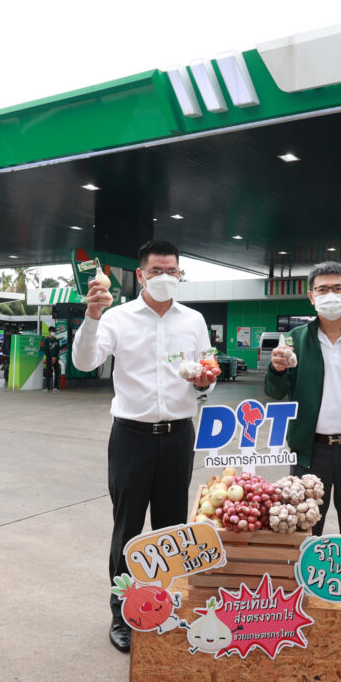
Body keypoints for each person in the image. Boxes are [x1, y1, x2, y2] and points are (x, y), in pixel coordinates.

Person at [71, 239, 217, 653]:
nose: (165, 277)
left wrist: (206, 381)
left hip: (178, 435)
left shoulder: (194, 320)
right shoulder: (116, 318)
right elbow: (84, 362)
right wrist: (92, 315)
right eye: (156, 271)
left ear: (180, 274)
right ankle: (123, 614)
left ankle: (163, 607)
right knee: (128, 528)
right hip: (131, 437)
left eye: (172, 271)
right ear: (140, 275)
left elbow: (208, 370)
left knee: (171, 531)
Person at [263, 261, 341, 540]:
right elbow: (274, 392)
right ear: (311, 296)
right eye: (322, 289)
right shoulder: (294, 340)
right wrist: (277, 369)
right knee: (304, 534)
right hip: (309, 453)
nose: (330, 294)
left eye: (337, 288)